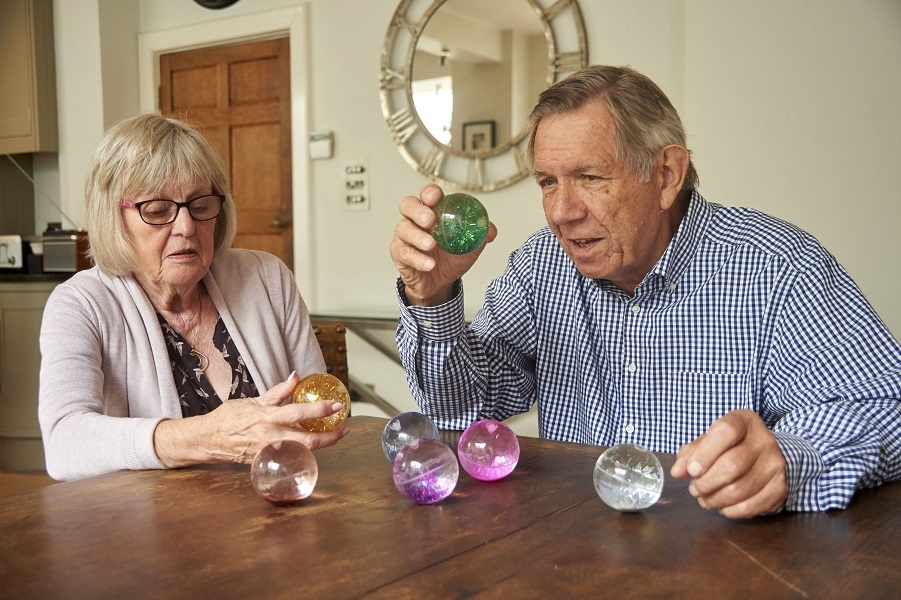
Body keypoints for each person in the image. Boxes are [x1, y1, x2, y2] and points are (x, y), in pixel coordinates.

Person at [389, 65, 901, 518]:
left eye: (590, 177)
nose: (562, 212)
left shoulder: (779, 267)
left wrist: (788, 460)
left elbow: (883, 408)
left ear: (666, 175)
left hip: (726, 558)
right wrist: (432, 299)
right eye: (547, 182)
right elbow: (465, 409)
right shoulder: (540, 265)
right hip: (568, 550)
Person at [39, 114, 349, 481]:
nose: (186, 227)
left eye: (200, 206)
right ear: (114, 220)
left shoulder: (267, 277)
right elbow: (63, 442)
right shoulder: (80, 304)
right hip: (149, 516)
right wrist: (207, 437)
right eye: (158, 211)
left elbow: (317, 408)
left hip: (277, 500)